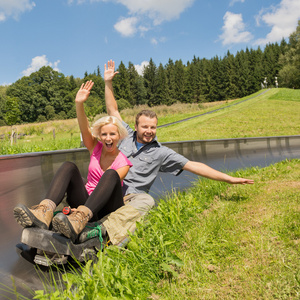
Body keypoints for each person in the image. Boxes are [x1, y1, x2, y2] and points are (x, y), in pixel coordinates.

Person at [96, 60, 254, 246]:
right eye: (145, 126)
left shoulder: (161, 153)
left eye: (153, 127)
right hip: (110, 191)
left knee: (146, 203)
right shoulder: (124, 136)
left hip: (132, 199)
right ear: (136, 126)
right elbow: (113, 109)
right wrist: (108, 83)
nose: (149, 131)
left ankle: (107, 242)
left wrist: (229, 179)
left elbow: (193, 166)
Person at [13, 81, 133, 243]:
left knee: (111, 174)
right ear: (99, 136)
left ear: (119, 136)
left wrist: (83, 212)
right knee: (69, 166)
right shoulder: (95, 148)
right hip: (84, 205)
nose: (108, 138)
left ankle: (81, 217)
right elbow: (84, 128)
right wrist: (79, 103)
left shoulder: (123, 163)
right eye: (104, 134)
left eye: (112, 134)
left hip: (106, 208)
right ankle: (44, 211)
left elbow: (109, 187)